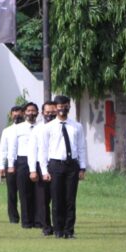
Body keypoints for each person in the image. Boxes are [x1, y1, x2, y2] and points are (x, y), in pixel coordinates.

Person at [37, 95, 87, 239]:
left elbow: (82, 147)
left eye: (65, 106)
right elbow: (43, 150)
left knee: (70, 199)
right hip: (55, 165)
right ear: (55, 108)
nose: (62, 109)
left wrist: (82, 167)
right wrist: (45, 170)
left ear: (69, 107)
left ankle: (69, 230)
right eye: (59, 107)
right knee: (57, 199)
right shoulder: (48, 128)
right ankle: (58, 230)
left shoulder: (76, 126)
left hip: (72, 165)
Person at [7, 102, 39, 229]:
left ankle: (38, 220)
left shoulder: (41, 127)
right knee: (24, 193)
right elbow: (12, 147)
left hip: (38, 161)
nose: (31, 113)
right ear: (25, 112)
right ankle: (26, 221)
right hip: (22, 161)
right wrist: (10, 164)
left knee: (38, 192)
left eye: (33, 110)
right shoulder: (17, 128)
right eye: (28, 110)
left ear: (37, 113)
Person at [29, 101, 57, 236]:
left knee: (58, 198)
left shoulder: (61, 127)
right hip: (41, 166)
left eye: (53, 112)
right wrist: (32, 170)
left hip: (57, 165)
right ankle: (46, 226)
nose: (50, 115)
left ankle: (59, 225)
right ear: (42, 113)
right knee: (43, 199)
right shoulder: (37, 129)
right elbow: (32, 151)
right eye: (47, 112)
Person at [0, 105, 24, 224]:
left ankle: (27, 216)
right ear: (11, 115)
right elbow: (3, 149)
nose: (17, 116)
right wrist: (2, 166)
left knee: (26, 192)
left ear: (23, 114)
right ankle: (13, 218)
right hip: (10, 164)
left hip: (25, 163)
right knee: (12, 192)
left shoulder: (29, 128)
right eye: (14, 113)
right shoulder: (7, 131)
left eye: (19, 113)